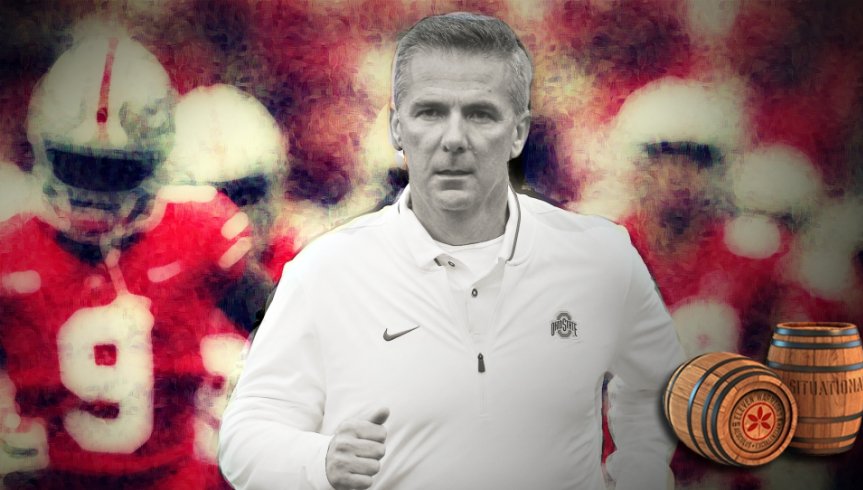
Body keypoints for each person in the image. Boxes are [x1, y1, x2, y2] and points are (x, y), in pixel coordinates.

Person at [219, 12, 685, 490]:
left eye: (481, 113)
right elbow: (243, 436)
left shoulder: (600, 258)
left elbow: (661, 387)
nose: (454, 140)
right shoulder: (325, 271)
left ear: (519, 131)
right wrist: (317, 461)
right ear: (397, 128)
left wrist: (639, 473)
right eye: (431, 112)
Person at [0, 23, 251, 488]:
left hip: (172, 474)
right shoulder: (10, 244)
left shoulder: (203, 231)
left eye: (115, 171)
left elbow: (281, 327)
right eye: (77, 165)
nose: (94, 190)